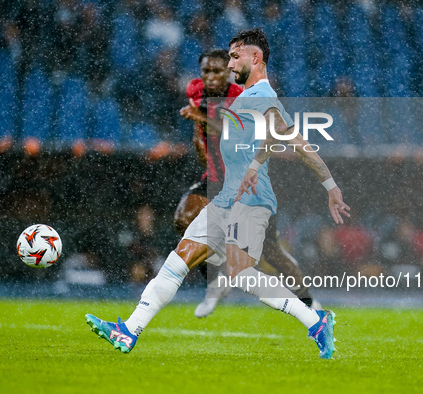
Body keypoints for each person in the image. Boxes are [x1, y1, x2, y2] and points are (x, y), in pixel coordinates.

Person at [85, 28, 350, 360]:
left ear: (255, 58)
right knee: (178, 260)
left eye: (235, 55)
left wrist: (330, 186)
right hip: (227, 194)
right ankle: (128, 331)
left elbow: (297, 142)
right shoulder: (245, 96)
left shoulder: (263, 96)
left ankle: (315, 321)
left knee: (244, 274)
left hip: (250, 200)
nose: (230, 61)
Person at [177, 48, 317, 318]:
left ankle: (309, 302)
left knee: (271, 252)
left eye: (217, 71)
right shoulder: (196, 91)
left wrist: (201, 118)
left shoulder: (242, 98)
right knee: (185, 218)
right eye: (206, 71)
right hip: (217, 178)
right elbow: (201, 141)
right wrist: (199, 129)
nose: (211, 77)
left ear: (229, 73)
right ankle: (216, 280)